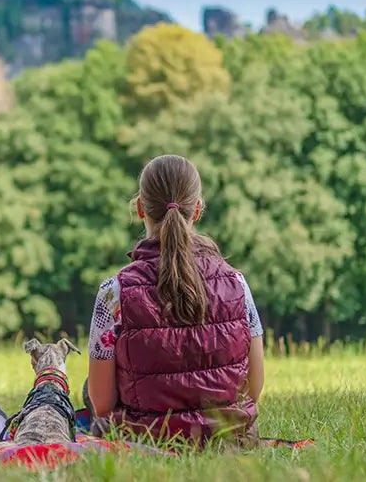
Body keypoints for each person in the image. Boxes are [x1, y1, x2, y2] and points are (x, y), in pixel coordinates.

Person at [85, 154, 266, 446]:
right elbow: (253, 389)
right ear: (197, 210)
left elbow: (102, 404)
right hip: (227, 442)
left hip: (142, 443)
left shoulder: (114, 291)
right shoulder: (237, 284)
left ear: (141, 208)